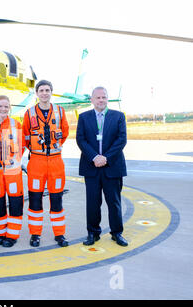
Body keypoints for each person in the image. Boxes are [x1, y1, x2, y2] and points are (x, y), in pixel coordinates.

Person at [76, 86, 128, 247]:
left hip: (112, 166)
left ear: (107, 99)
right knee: (92, 203)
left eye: (104, 97)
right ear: (92, 100)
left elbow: (121, 140)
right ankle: (93, 233)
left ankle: (116, 233)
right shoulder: (84, 117)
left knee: (114, 202)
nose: (101, 100)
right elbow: (81, 139)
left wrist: (105, 158)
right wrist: (94, 157)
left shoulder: (118, 116)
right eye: (97, 97)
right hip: (91, 167)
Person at [22, 80, 70, 248]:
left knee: (57, 200)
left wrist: (53, 148)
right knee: (35, 200)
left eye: (47, 90)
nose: (44, 93)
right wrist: (37, 150)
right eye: (41, 90)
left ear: (51, 92)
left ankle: (59, 234)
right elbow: (26, 137)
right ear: (37, 93)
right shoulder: (29, 113)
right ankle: (35, 234)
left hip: (56, 162)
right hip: (36, 162)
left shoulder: (60, 111)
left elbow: (64, 133)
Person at [0, 95, 25, 248]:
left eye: (6, 107)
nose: (3, 109)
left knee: (15, 204)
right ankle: (1, 233)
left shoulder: (16, 125)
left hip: (13, 174)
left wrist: (14, 162)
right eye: (0, 106)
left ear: (10, 108)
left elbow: (22, 146)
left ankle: (12, 235)